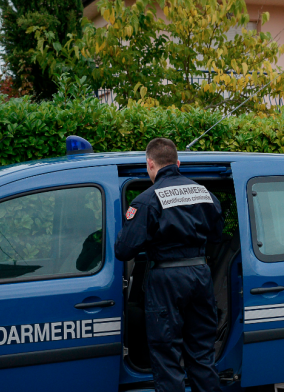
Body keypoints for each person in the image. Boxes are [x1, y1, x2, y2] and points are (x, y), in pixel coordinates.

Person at [115, 138, 224, 392]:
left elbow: (124, 250)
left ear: (150, 164)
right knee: (202, 356)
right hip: (200, 274)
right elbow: (217, 237)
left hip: (166, 281)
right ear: (178, 163)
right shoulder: (205, 194)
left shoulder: (147, 200)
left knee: (167, 359)